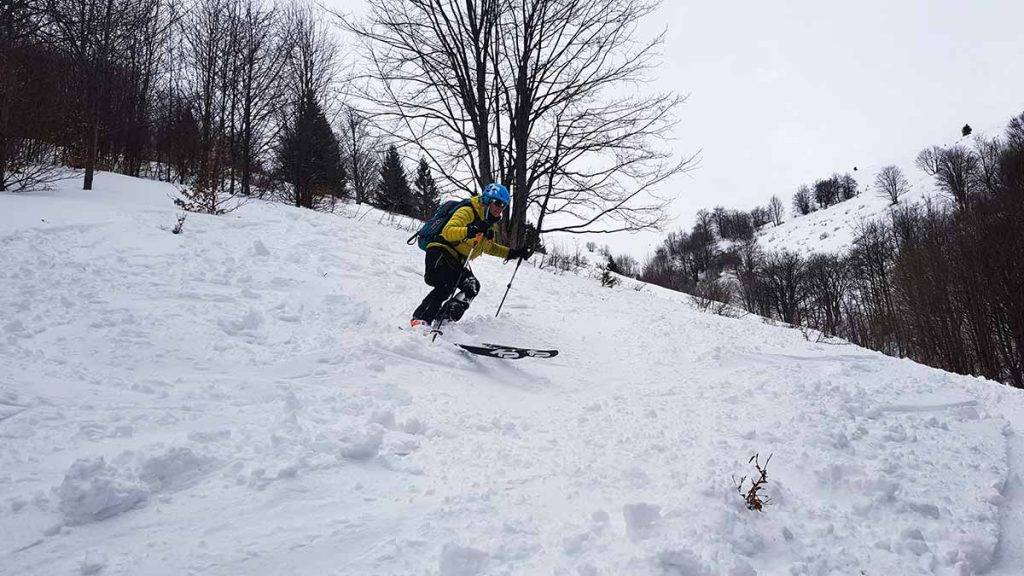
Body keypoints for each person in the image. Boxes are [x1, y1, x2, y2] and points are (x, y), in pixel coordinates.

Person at [411, 183, 532, 328]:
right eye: (498, 203)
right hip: (439, 252)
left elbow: (488, 247)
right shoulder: (468, 210)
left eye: (503, 206)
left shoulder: (487, 223)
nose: (500, 209)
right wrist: (472, 229)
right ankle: (420, 320)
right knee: (446, 284)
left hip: (455, 260)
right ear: (488, 200)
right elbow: (448, 232)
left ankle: (443, 321)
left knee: (472, 286)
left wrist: (513, 253)